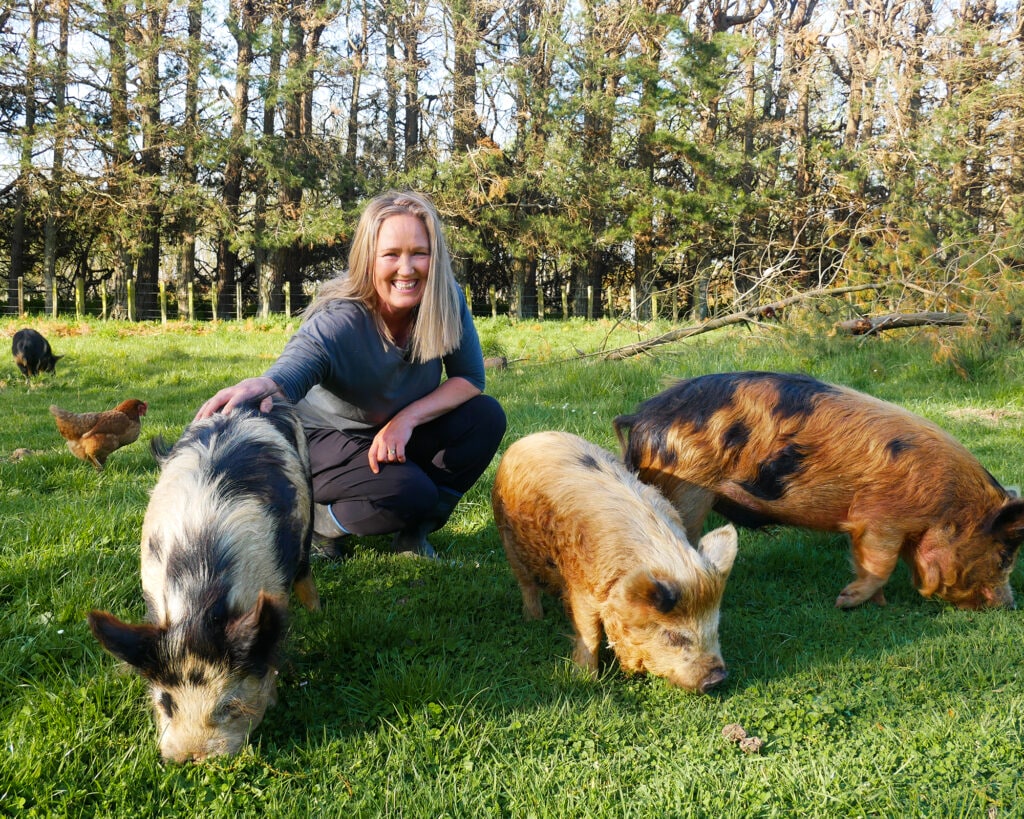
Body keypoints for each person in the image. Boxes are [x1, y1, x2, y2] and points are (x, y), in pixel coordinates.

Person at [195, 190, 507, 557]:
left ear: (434, 256)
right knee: (410, 492)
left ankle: (412, 536)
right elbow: (294, 368)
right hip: (321, 439)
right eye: (391, 254)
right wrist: (265, 384)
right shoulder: (340, 318)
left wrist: (407, 419)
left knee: (484, 418)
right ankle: (317, 526)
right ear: (368, 259)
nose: (406, 269)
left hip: (387, 432)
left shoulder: (446, 300)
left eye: (419, 253)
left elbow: (470, 378)